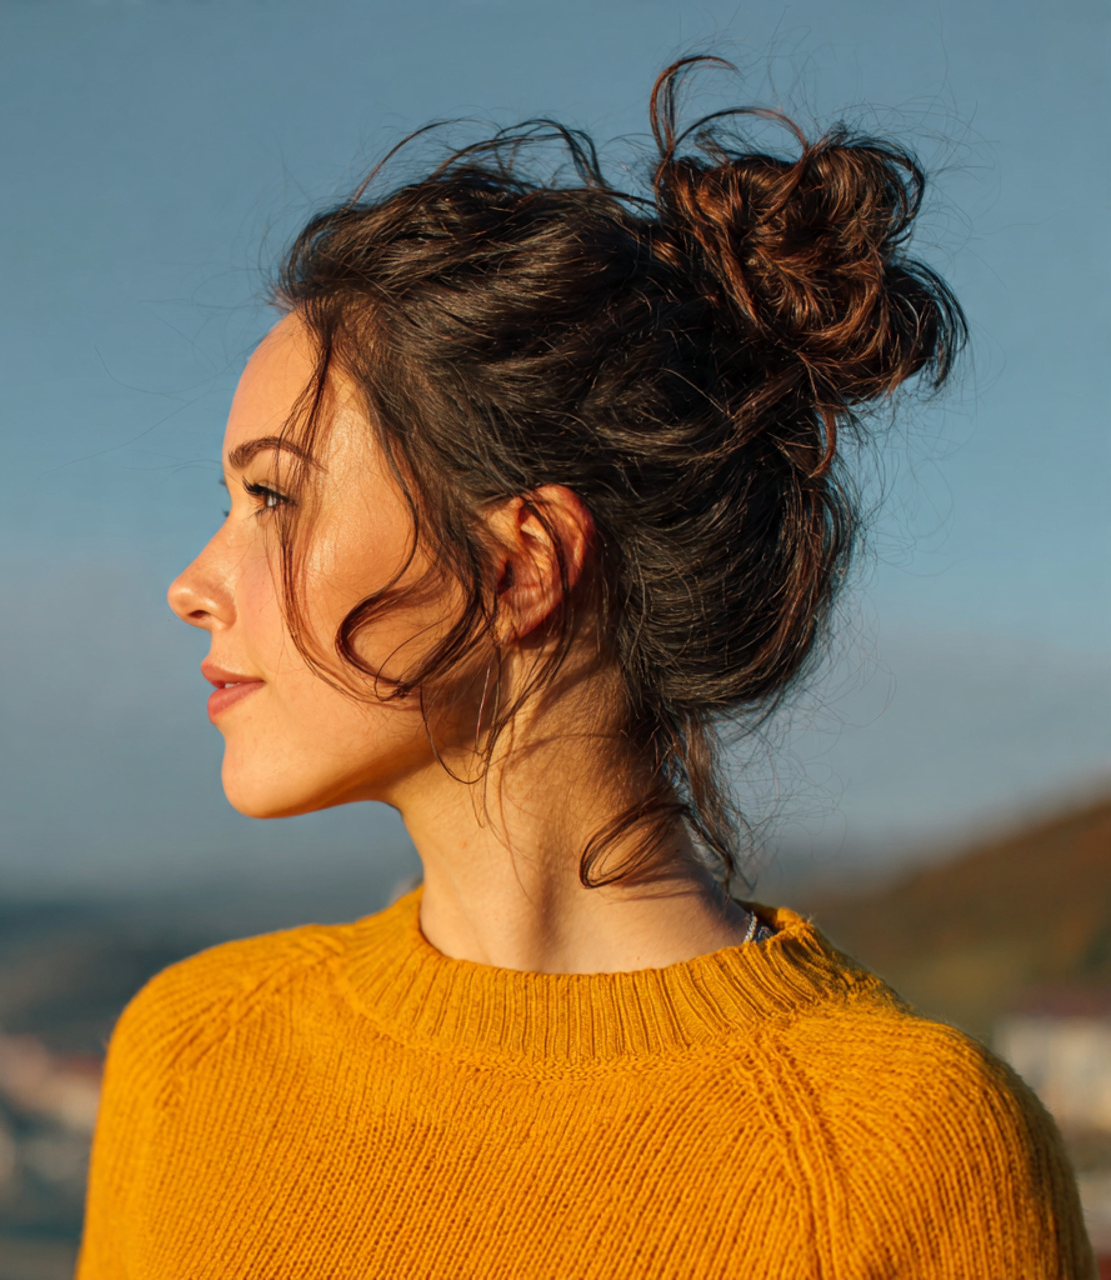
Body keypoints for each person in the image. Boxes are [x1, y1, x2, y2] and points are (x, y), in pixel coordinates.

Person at [76, 57, 1093, 1279]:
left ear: (521, 565)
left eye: (273, 498)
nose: (192, 580)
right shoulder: (189, 1052)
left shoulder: (895, 1153)